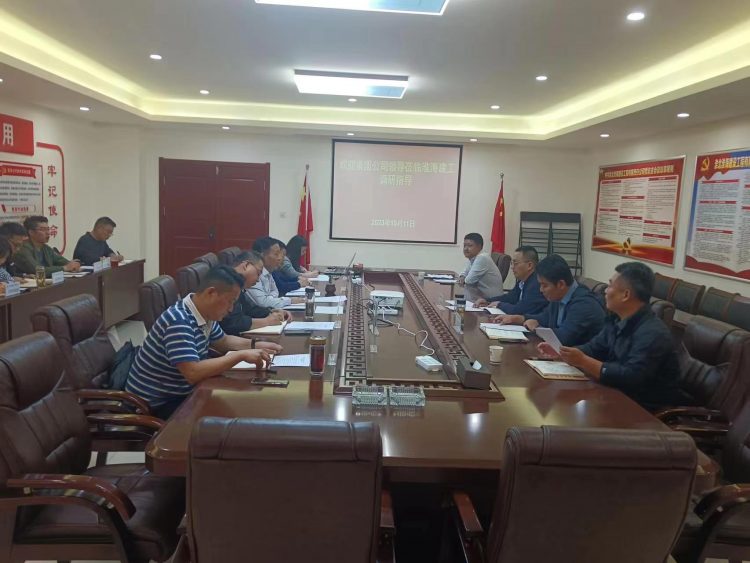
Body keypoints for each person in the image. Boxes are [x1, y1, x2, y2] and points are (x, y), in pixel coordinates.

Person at [125, 265, 281, 419]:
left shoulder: (202, 313)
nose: (231, 309)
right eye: (230, 301)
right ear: (211, 293)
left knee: (237, 406)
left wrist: (256, 345)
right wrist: (239, 356)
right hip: (156, 405)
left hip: (182, 392)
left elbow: (223, 340)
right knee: (229, 417)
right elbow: (193, 372)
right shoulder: (178, 320)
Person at [538, 262, 685, 410]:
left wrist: (583, 361)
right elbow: (594, 348)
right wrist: (563, 353)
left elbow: (631, 377)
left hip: (644, 410)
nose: (605, 291)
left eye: (610, 286)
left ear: (625, 295)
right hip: (613, 395)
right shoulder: (616, 320)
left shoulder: (653, 333)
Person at [498, 254, 604, 346]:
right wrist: (521, 318)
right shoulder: (559, 295)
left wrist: (538, 328)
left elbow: (565, 337)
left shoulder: (584, 304)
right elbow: (545, 317)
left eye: (544, 285)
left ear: (561, 284)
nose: (541, 290)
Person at [220, 251, 293, 335]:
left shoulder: (238, 285)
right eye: (258, 273)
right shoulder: (225, 282)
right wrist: (266, 321)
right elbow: (232, 322)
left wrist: (271, 312)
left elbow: (249, 310)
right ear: (246, 265)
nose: (258, 280)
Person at [474, 246, 547, 315]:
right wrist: (488, 301)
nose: (512, 267)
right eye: (512, 263)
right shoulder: (523, 281)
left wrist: (499, 304)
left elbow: (519, 310)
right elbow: (510, 298)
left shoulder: (536, 284)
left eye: (515, 263)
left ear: (529, 265)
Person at [246, 237, 305, 309]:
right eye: (276, 254)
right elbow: (263, 303)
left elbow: (275, 292)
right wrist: (289, 300)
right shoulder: (253, 274)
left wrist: (269, 299)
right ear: (262, 256)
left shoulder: (268, 271)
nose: (280, 258)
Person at [14, 216, 81, 275]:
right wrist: (65, 268)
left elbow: (63, 262)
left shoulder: (46, 248)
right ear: (31, 232)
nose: (47, 233)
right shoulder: (23, 249)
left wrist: (74, 264)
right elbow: (38, 270)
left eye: (48, 229)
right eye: (43, 230)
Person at [458, 233, 503, 300]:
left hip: (490, 301)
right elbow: (465, 272)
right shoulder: (473, 257)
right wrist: (462, 276)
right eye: (464, 245)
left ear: (479, 247)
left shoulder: (482, 258)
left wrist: (464, 279)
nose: (466, 249)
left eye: (470, 246)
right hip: (481, 298)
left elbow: (469, 281)